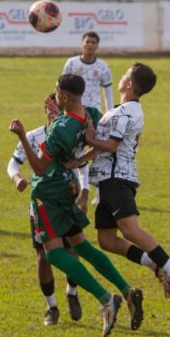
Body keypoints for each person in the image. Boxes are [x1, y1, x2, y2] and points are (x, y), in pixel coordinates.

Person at [9, 74, 144, 337]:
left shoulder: (61, 129)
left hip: (48, 192)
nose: (54, 94)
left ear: (65, 97)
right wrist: (83, 156)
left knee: (54, 254)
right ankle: (127, 290)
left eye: (57, 91)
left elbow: (39, 166)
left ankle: (107, 299)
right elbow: (95, 139)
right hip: (68, 188)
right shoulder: (88, 113)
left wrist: (23, 136)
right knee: (82, 246)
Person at [84, 62, 170, 308]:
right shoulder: (118, 110)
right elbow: (99, 148)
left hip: (118, 178)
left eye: (124, 75)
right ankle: (155, 264)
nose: (121, 77)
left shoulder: (128, 112)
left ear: (130, 84)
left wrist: (89, 137)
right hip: (105, 180)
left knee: (130, 229)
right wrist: (78, 160)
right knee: (107, 240)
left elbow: (110, 146)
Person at [7, 94, 82, 325]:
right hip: (40, 205)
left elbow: (81, 166)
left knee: (72, 251)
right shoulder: (33, 136)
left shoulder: (70, 134)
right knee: (43, 256)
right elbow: (13, 163)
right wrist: (17, 178)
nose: (52, 112)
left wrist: (84, 193)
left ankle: (72, 293)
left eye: (57, 108)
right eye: (49, 108)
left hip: (66, 202)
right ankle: (52, 308)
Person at [62, 31, 113, 206]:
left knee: (98, 149)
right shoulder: (72, 63)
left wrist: (110, 112)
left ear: (97, 46)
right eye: (87, 41)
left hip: (95, 112)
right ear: (82, 44)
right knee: (73, 148)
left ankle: (99, 191)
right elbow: (62, 87)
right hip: (75, 112)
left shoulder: (103, 67)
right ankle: (72, 185)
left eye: (93, 42)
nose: (90, 45)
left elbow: (107, 91)